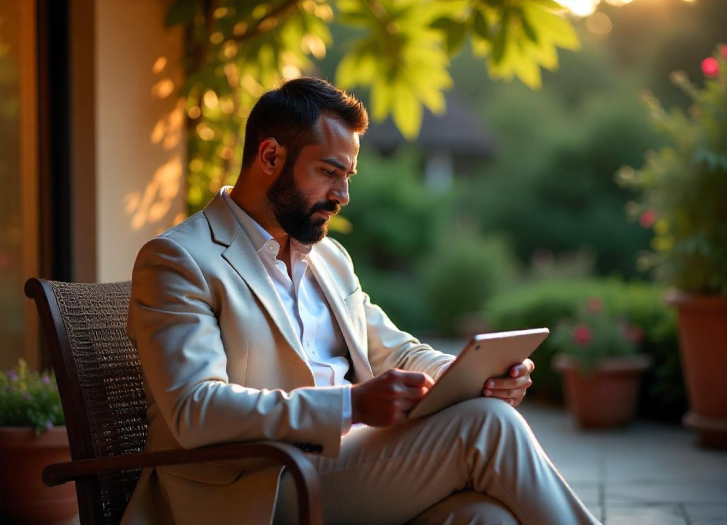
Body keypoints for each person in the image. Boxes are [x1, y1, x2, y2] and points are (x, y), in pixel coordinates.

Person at [122, 77, 601, 525]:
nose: (344, 194)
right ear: (270, 156)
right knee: (486, 426)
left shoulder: (328, 258)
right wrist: (349, 405)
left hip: (343, 465)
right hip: (253, 487)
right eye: (330, 172)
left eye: (348, 175)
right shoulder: (179, 260)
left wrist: (474, 376)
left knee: (485, 518)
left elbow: (396, 351)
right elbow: (196, 409)